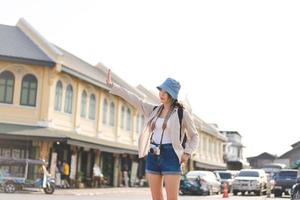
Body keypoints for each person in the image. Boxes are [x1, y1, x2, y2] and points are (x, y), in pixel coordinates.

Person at [106, 69, 199, 200]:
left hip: (172, 156)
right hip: (153, 154)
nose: (161, 94)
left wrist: (187, 152)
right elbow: (135, 100)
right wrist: (113, 86)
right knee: (156, 198)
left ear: (172, 95)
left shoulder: (181, 113)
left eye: (165, 92)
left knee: (172, 198)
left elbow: (194, 136)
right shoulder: (154, 110)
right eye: (161, 90)